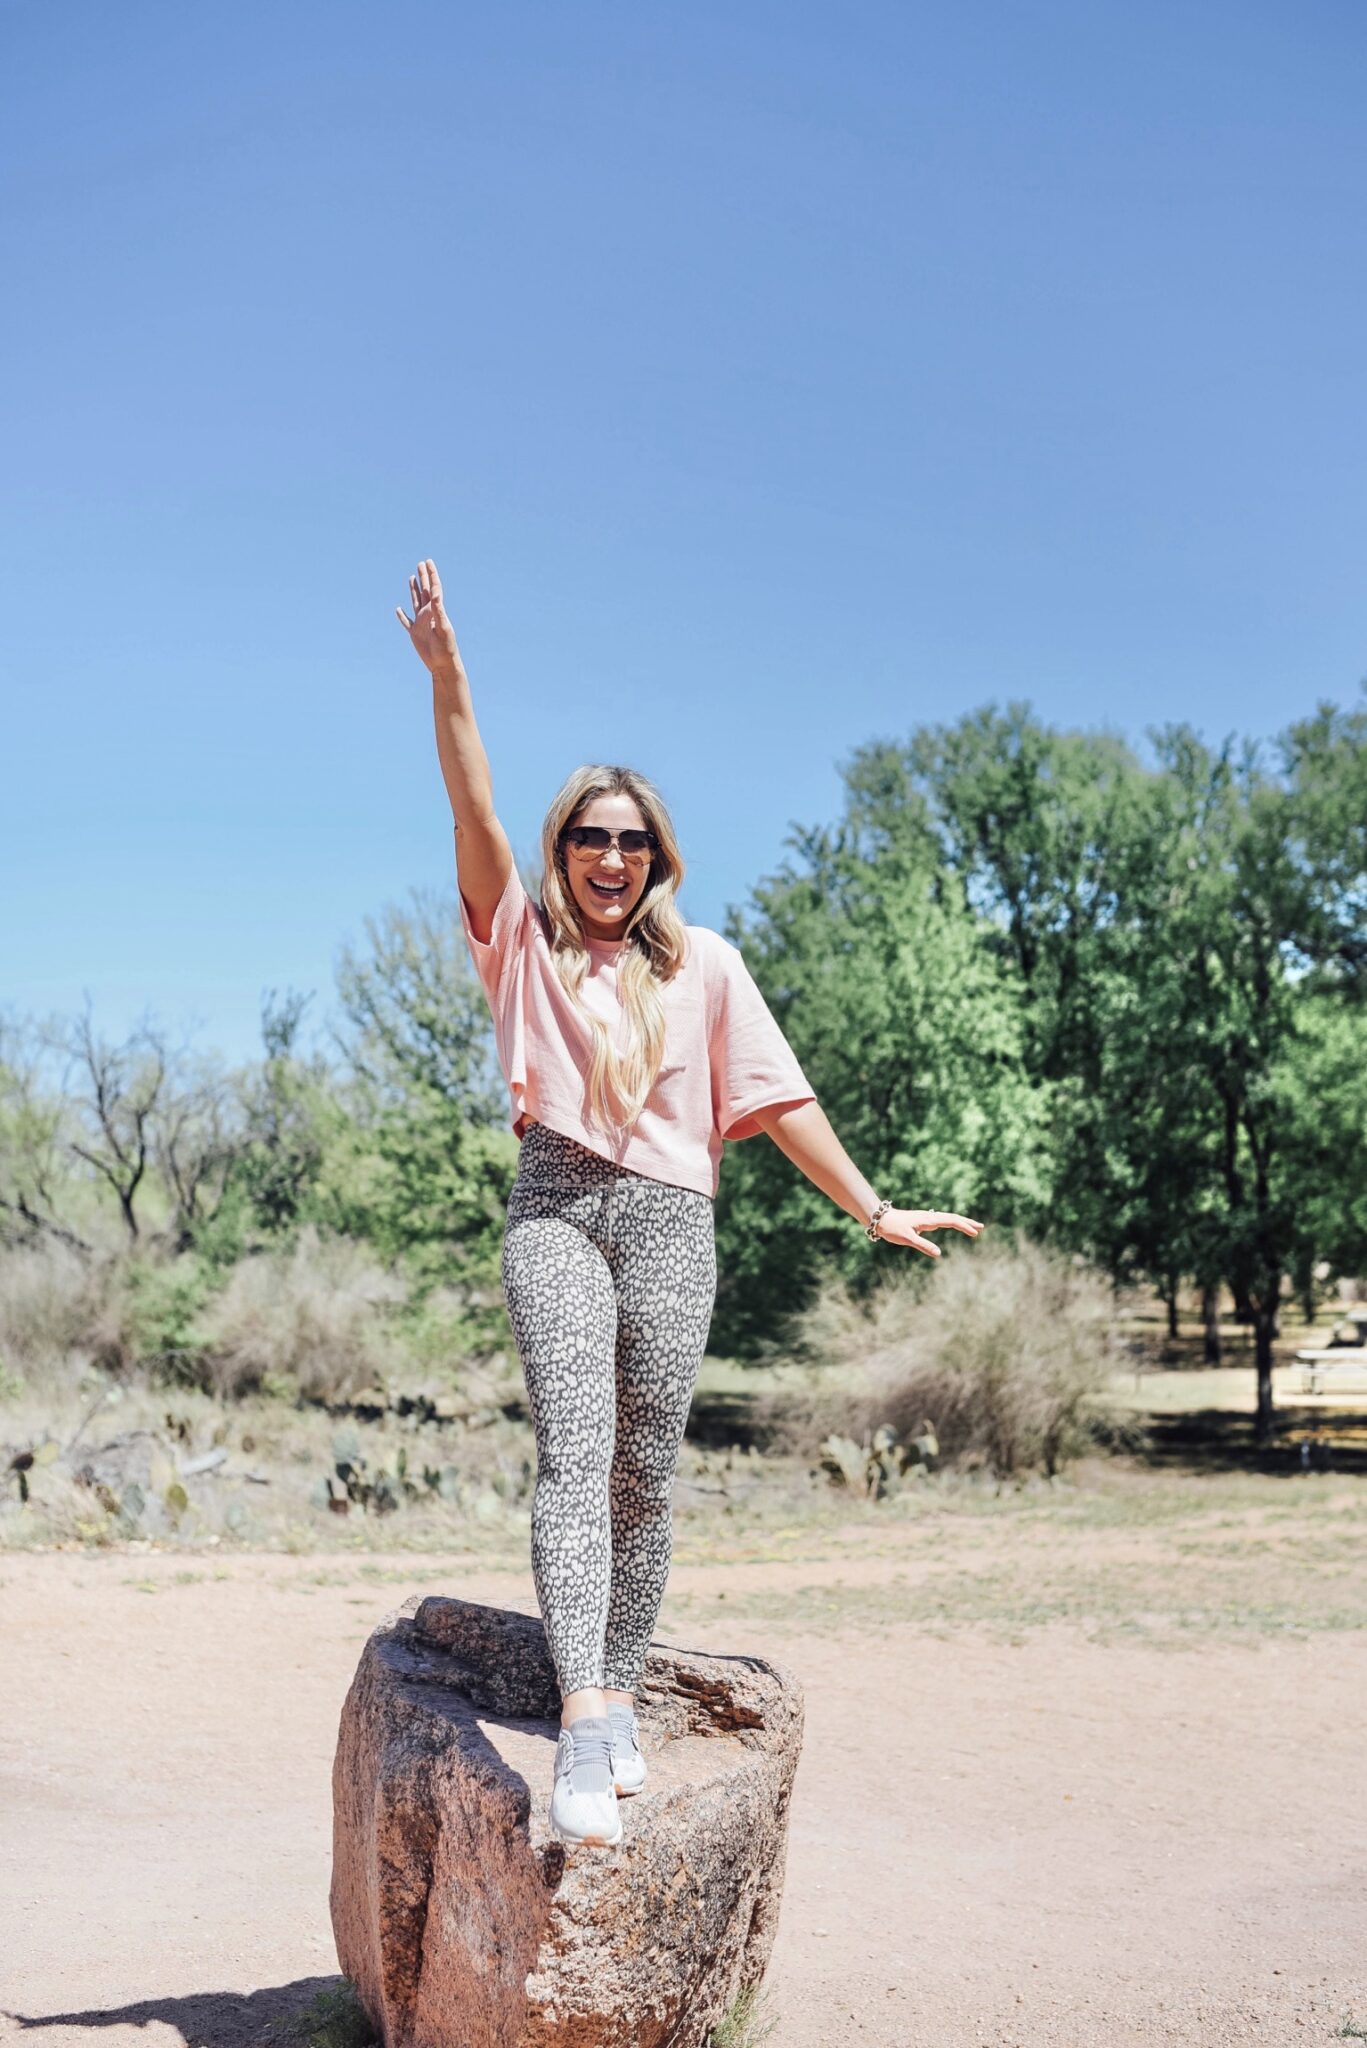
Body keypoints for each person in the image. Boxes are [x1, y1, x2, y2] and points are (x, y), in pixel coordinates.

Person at [396, 557, 984, 1848]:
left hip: (670, 1216)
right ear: (560, 854)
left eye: (632, 838)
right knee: (576, 1450)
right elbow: (472, 800)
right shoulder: (522, 944)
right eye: (588, 837)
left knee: (645, 1472)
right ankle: (591, 1713)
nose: (610, 856)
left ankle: (618, 1679)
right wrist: (448, 677)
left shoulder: (707, 964)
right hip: (554, 1200)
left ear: (659, 853)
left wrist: (872, 1208)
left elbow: (779, 1101)